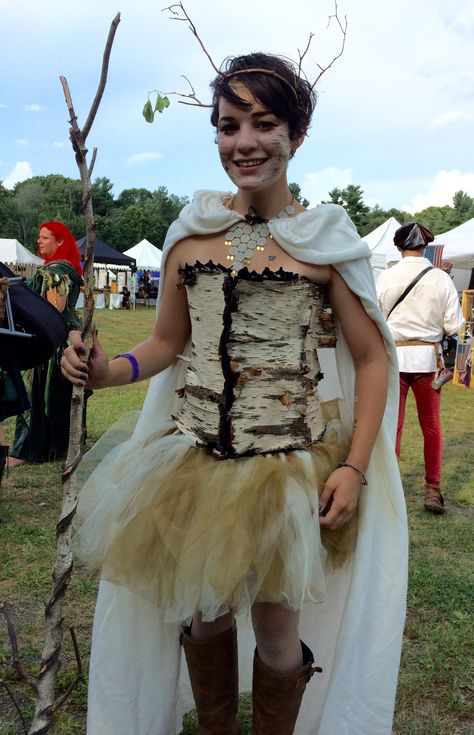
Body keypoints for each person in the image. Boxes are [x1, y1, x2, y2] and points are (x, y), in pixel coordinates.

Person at [61, 52, 407, 735]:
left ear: (296, 134)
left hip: (286, 466)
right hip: (193, 463)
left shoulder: (325, 242)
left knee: (278, 632)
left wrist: (355, 465)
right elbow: (166, 343)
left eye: (263, 123)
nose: (243, 142)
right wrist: (107, 371)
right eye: (227, 126)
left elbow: (372, 359)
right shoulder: (190, 238)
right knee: (204, 611)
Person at [376, 222, 464, 514]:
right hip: (428, 361)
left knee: (393, 427)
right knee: (431, 426)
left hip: (394, 359)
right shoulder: (440, 278)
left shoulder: (385, 277)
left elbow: (374, 318)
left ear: (399, 247)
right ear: (424, 247)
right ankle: (432, 490)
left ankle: (390, 490)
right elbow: (454, 325)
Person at [8, 222, 83, 466]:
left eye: (45, 237)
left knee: (39, 393)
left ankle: (28, 450)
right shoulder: (63, 268)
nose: (39, 241)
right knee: (59, 394)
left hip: (52, 339)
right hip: (65, 336)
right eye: (39, 237)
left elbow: (53, 311)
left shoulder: (56, 271)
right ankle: (58, 445)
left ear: (60, 242)